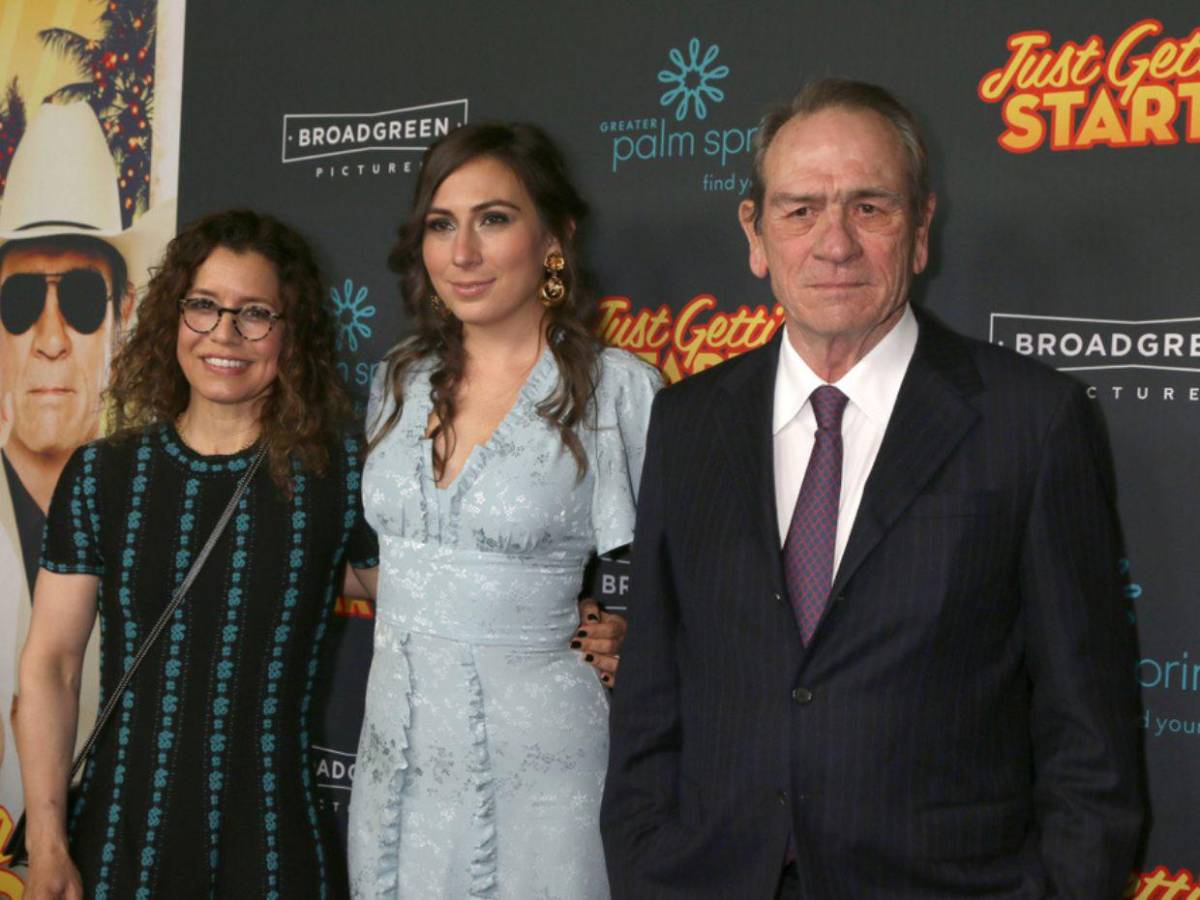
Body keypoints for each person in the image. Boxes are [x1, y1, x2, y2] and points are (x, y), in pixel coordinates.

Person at [601, 78, 1142, 899]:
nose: (835, 244)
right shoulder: (687, 420)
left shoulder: (1032, 421)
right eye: (800, 209)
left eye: (870, 207)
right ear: (755, 234)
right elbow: (651, 692)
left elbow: (1089, 735)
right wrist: (646, 866)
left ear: (920, 229)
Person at [15, 209, 378, 899]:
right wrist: (48, 844)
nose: (224, 334)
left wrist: (567, 623)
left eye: (256, 313)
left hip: (275, 846)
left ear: (293, 332)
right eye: (204, 305)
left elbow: (429, 602)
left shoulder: (338, 476)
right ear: (172, 315)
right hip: (122, 842)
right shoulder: (103, 475)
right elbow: (51, 666)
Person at [347, 122, 659, 898]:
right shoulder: (397, 381)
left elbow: (698, 576)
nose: (463, 253)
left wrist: (641, 638)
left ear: (555, 238)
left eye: (493, 219)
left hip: (546, 772)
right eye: (441, 224)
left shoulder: (618, 391)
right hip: (395, 762)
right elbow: (406, 574)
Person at [0, 102, 172, 818]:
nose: (49, 339)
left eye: (78, 298)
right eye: (18, 302)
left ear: (123, 315)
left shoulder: (166, 501)